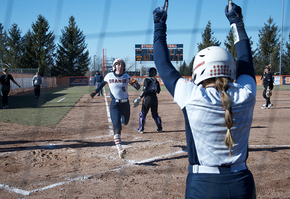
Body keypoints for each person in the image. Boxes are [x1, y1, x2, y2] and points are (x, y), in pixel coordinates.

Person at [153, 2, 256, 198]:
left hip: (203, 185)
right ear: (230, 69)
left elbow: (162, 63)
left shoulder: (193, 96)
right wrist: (236, 21)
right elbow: (245, 59)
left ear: (199, 71)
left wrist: (159, 24)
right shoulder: (246, 94)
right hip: (242, 183)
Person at [90, 58, 141, 159]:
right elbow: (101, 85)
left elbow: (137, 87)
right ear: (114, 66)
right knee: (117, 127)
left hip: (125, 104)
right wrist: (95, 92)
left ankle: (121, 119)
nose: (120, 67)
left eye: (122, 65)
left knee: (125, 122)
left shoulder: (126, 76)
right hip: (115, 105)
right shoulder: (109, 76)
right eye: (118, 65)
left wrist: (134, 82)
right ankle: (120, 149)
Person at [134, 67, 162, 133]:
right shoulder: (156, 81)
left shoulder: (146, 80)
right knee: (155, 114)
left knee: (142, 114)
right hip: (155, 98)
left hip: (148, 98)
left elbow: (145, 90)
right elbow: (158, 91)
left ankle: (141, 129)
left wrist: (140, 97)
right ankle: (160, 128)